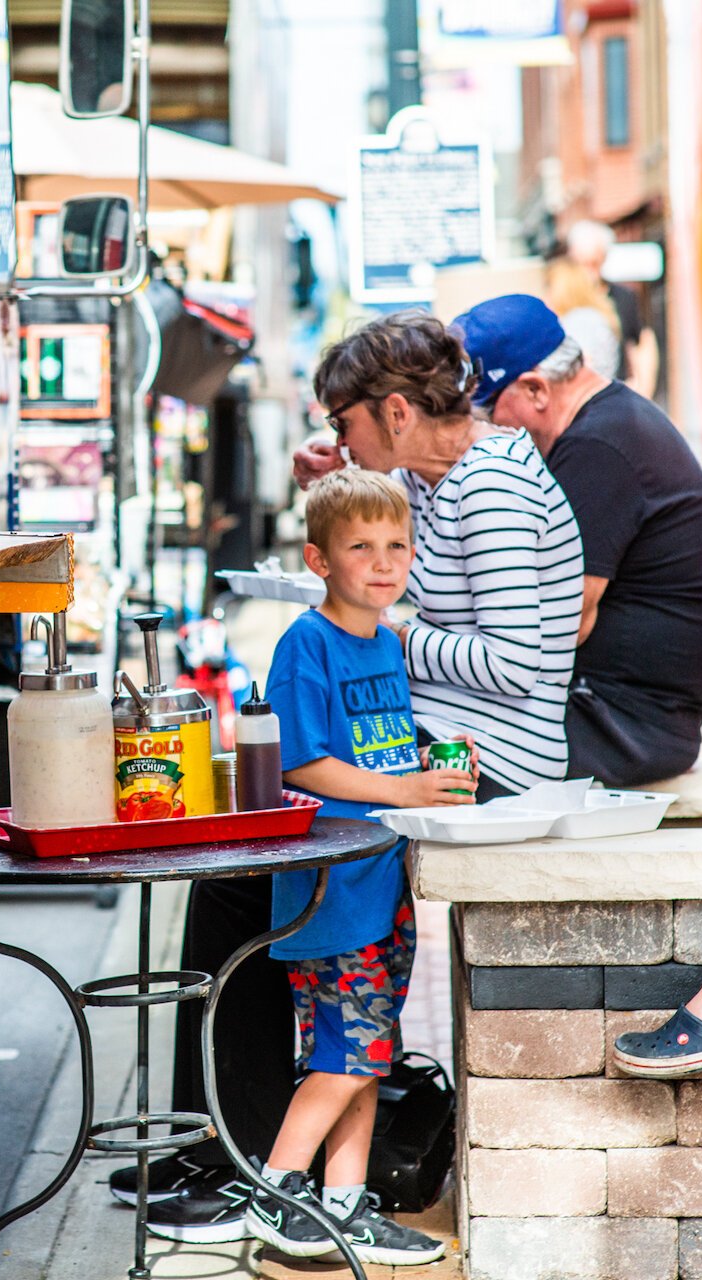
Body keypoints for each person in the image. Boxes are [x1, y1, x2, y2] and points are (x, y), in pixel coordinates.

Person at [242, 470, 466, 1266]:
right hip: (331, 891)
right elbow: (300, 764)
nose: (382, 562)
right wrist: (403, 789)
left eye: (396, 545)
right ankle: (274, 1197)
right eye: (360, 547)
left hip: (383, 881)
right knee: (349, 1053)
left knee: (366, 1054)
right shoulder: (307, 643)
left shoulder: (388, 642)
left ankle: (341, 1206)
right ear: (318, 559)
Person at [310, 312, 583, 798]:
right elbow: (361, 525)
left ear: (396, 413)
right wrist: (328, 480)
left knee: (288, 785)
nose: (341, 442)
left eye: (342, 422)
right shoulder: (422, 477)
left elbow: (512, 665)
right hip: (434, 731)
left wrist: (392, 637)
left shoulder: (491, 486)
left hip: (494, 759)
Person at [451, 294, 702, 788]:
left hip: (625, 722)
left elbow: (563, 624)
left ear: (536, 390)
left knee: (429, 755)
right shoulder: (609, 422)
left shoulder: (597, 448)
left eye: (487, 409)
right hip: (624, 711)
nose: (484, 426)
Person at [566, 219, 659, 398]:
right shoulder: (562, 300)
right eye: (582, 263)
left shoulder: (623, 297)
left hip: (614, 396)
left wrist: (643, 389)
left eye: (594, 263)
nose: (588, 271)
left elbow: (642, 342)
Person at [545, 256, 621, 380]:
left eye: (549, 287)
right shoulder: (592, 317)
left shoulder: (580, 320)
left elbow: (580, 364)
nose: (546, 295)